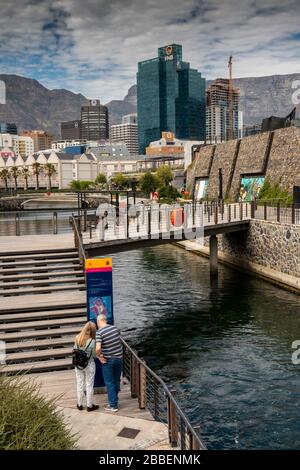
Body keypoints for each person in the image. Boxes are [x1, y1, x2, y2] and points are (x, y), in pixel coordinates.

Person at [96, 314, 123, 412]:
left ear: (99, 322)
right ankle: (114, 400)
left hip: (108, 360)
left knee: (109, 382)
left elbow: (98, 348)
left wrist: (99, 356)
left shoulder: (99, 332)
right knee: (116, 380)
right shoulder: (115, 328)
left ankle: (113, 405)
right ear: (105, 320)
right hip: (119, 359)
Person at [74, 321, 99, 412]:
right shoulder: (92, 341)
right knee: (89, 385)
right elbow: (94, 356)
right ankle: (89, 406)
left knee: (79, 384)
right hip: (89, 365)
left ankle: (79, 404)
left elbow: (74, 350)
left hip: (78, 365)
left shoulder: (77, 337)